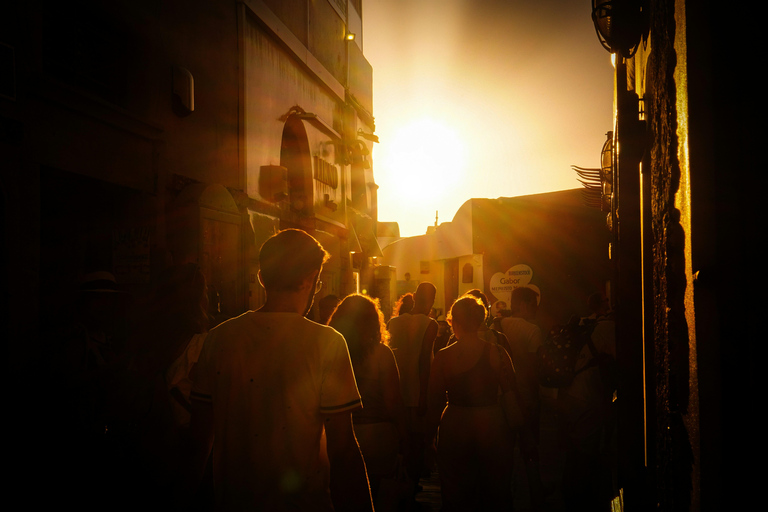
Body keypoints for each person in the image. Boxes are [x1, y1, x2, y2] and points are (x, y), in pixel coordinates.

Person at [183, 229, 373, 512]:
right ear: (310, 279)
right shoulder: (327, 343)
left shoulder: (218, 339)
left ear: (261, 278)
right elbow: (342, 448)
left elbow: (198, 440)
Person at [425, 295, 517, 511]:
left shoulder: (443, 357)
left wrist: (428, 440)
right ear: (480, 320)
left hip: (455, 425)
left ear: (453, 321)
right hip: (491, 424)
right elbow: (512, 395)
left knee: (456, 492)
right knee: (493, 490)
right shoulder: (497, 353)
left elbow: (434, 402)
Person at [328, 294, 408, 506]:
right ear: (373, 322)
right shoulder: (382, 354)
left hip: (341, 434)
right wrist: (404, 438)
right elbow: (393, 402)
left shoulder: (331, 352)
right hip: (378, 436)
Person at [559, 296, 616, 511]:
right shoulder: (609, 328)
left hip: (565, 393)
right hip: (587, 397)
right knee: (584, 454)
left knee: (572, 451)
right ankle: (581, 501)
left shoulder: (585, 324)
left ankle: (571, 496)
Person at [387, 282, 438, 492]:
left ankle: (399, 487)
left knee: (399, 441)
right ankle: (412, 488)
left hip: (396, 389)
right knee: (417, 442)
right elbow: (424, 360)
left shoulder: (393, 322)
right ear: (432, 300)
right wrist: (425, 394)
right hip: (417, 390)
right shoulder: (430, 324)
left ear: (414, 296)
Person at [499, 285, 546, 511]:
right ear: (524, 304)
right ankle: (535, 493)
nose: (536, 310)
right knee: (530, 447)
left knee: (504, 449)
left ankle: (504, 493)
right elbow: (533, 368)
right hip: (526, 396)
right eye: (534, 305)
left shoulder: (499, 326)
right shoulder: (532, 330)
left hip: (501, 397)